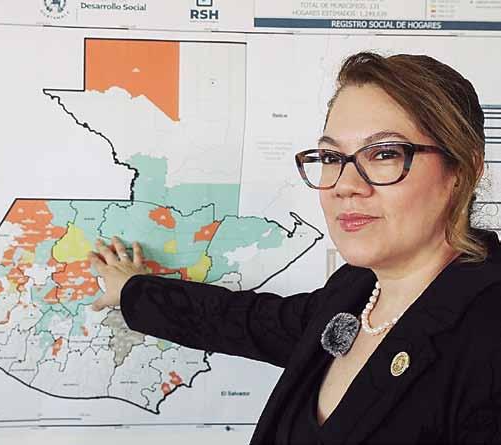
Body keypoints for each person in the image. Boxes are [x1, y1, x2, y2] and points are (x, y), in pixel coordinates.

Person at [88, 51, 501, 444]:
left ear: (463, 170)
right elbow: (244, 321)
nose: (345, 185)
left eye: (384, 154)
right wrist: (132, 290)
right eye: (331, 157)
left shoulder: (488, 333)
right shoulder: (355, 290)